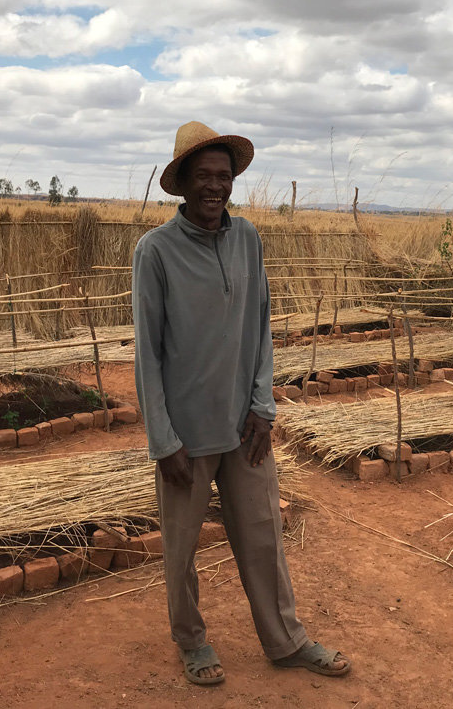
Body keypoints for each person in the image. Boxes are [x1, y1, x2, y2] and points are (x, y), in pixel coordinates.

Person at [132, 121, 351, 686]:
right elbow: (148, 355)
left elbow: (260, 329)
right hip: (184, 434)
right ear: (181, 184)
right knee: (180, 550)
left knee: (262, 536)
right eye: (202, 176)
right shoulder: (155, 252)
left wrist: (263, 407)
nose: (214, 186)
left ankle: (286, 640)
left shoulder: (248, 238)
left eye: (223, 176)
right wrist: (163, 439)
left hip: (244, 426)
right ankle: (192, 642)